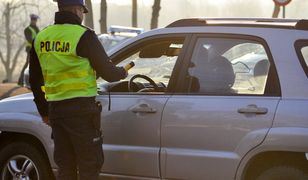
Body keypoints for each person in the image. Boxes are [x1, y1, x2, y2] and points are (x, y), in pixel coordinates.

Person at [29, 0, 127, 179]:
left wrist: (44, 112)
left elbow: (35, 81)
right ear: (77, 9)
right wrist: (123, 72)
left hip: (56, 112)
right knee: (89, 164)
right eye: (82, 11)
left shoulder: (41, 37)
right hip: (82, 112)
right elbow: (110, 74)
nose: (82, 16)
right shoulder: (84, 36)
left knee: (66, 167)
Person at [18, 14, 40, 86]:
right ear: (31, 20)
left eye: (35, 20)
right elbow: (29, 39)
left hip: (36, 49)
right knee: (28, 64)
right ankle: (21, 81)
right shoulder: (27, 29)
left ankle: (34, 81)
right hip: (30, 49)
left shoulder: (37, 29)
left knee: (35, 64)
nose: (35, 21)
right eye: (34, 20)